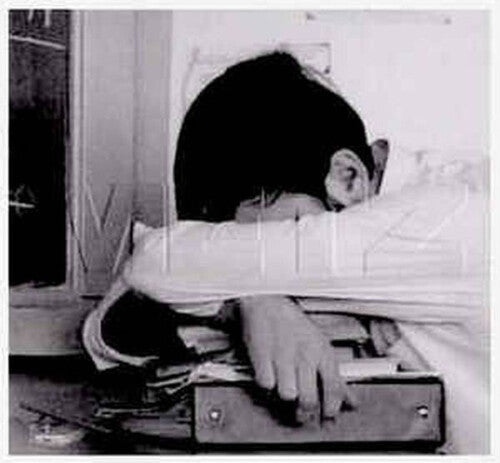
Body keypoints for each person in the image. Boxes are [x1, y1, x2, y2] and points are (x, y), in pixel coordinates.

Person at [91, 51, 391, 424]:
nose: (247, 262)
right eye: (230, 247)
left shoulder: (428, 230)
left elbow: (152, 262)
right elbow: (104, 326)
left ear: (348, 179)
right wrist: (248, 302)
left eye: (281, 239)